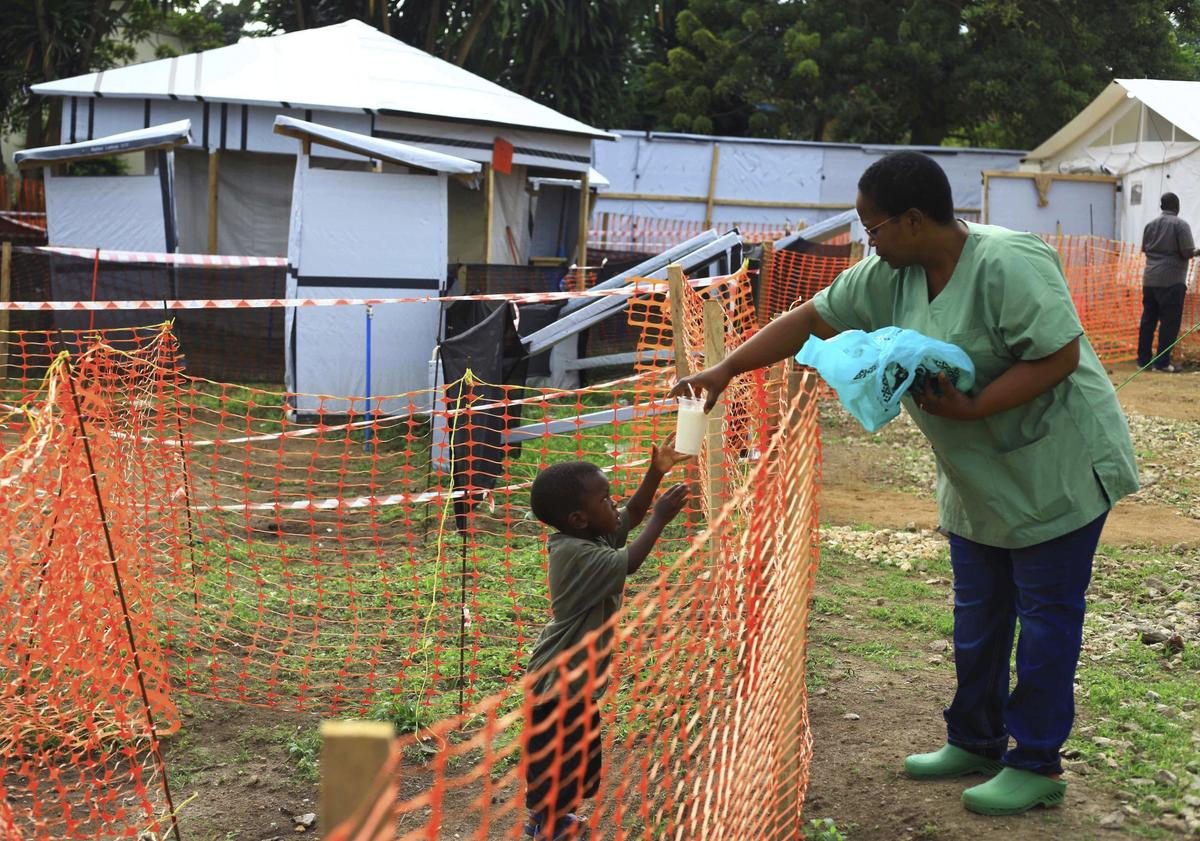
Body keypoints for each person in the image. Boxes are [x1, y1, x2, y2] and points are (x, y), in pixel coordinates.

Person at [672, 151, 1138, 817]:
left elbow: (1060, 355)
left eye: (873, 226)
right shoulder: (891, 275)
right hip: (979, 477)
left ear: (914, 220)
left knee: (1044, 620)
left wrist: (974, 406)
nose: (869, 240)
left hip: (1054, 467)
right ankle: (975, 739)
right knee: (978, 616)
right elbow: (810, 319)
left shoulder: (1010, 263)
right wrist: (724, 370)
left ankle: (1035, 760)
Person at [523, 442, 691, 840]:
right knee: (555, 769)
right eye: (604, 498)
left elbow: (630, 515)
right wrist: (661, 519)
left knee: (579, 764)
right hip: (556, 686)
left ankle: (557, 821)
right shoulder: (576, 554)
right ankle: (543, 828)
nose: (613, 503)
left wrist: (657, 471)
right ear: (579, 518)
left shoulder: (590, 537)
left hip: (577, 686)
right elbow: (631, 561)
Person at [1138, 192, 1195, 373]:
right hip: (1171, 280)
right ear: (1177, 206)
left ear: (1162, 206)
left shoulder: (1150, 225)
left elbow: (1145, 249)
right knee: (1169, 322)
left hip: (1150, 279)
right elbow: (1187, 252)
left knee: (1148, 320)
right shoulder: (1181, 225)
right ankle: (1162, 363)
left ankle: (1143, 360)